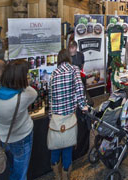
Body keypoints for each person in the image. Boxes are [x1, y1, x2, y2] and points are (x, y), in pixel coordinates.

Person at [0, 59, 37, 180]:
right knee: (20, 174)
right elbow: (33, 92)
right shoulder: (24, 96)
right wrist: (22, 83)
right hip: (22, 138)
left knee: (12, 168)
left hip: (4, 137)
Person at [49, 49, 88, 179]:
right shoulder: (74, 69)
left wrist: (51, 116)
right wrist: (83, 106)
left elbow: (51, 97)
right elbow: (79, 88)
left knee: (55, 147)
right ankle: (66, 176)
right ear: (68, 58)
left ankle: (56, 176)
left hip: (55, 117)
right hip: (69, 115)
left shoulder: (54, 73)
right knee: (67, 148)